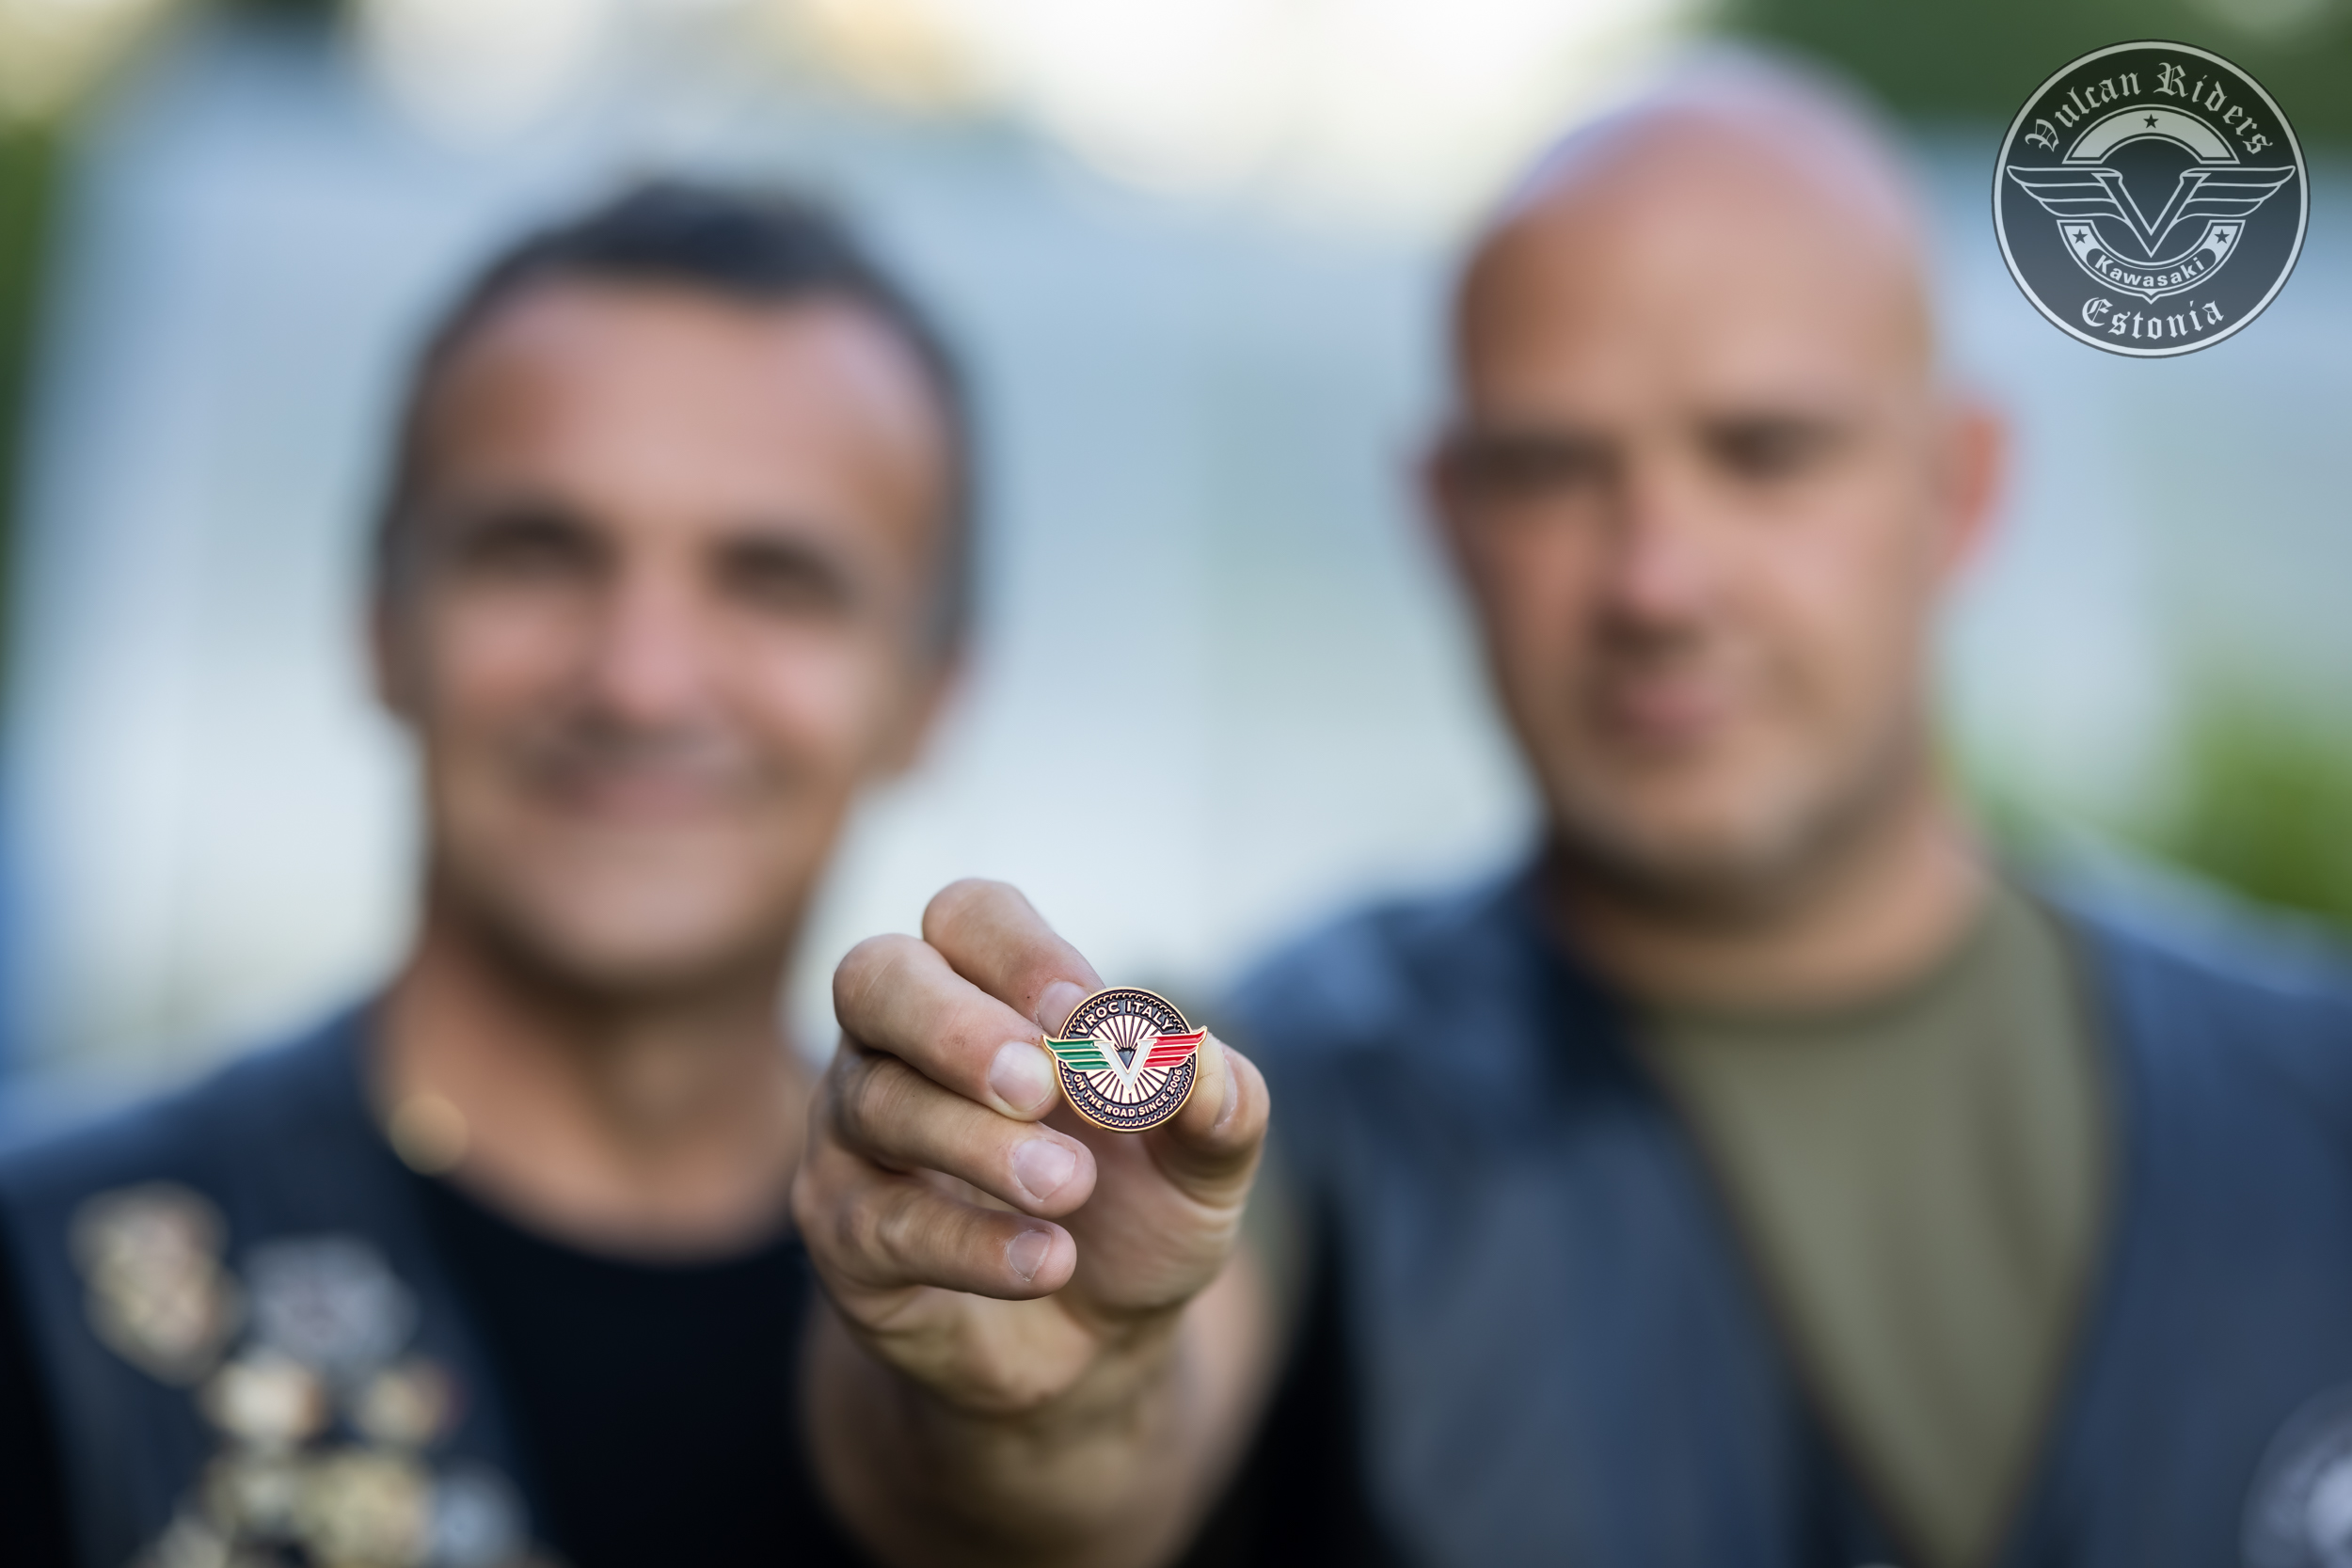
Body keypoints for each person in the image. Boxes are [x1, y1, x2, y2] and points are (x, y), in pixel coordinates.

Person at [794, 55, 2352, 1568]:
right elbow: (1060, 1467)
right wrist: (1041, 1397)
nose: (1656, 580)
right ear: (1449, 521)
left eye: (1764, 452)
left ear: (1963, 485)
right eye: (1550, 469)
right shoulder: (1301, 1089)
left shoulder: (2317, 1091)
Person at [0, 182, 973, 1568]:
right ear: (381, 623)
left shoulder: (1033, 1347)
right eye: (538, 553)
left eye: (772, 579)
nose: (641, 681)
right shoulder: (42, 1288)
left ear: (931, 693)